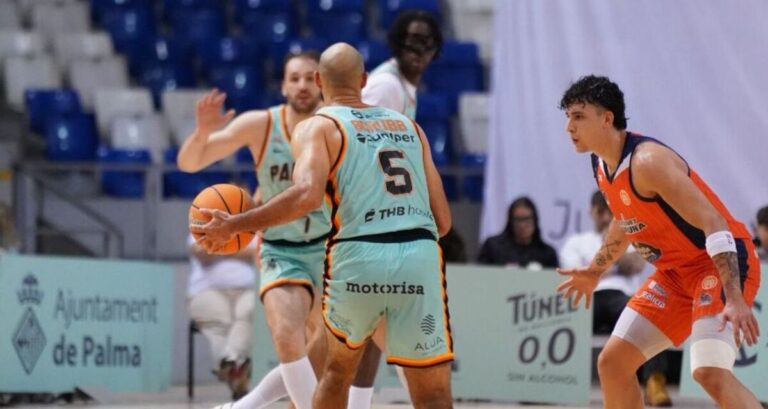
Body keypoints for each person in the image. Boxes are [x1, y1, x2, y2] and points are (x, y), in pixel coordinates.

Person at [192, 43, 454, 409]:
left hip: (359, 256)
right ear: (364, 81)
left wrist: (237, 223)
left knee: (334, 375)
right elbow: (443, 221)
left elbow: (304, 196)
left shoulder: (320, 125)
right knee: (434, 392)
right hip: (420, 256)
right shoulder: (410, 126)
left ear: (319, 81)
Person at [556, 75, 762, 409]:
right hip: (674, 274)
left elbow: (714, 222)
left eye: (577, 116)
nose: (568, 127)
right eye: (567, 117)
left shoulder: (648, 162)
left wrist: (735, 297)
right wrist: (595, 271)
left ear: (607, 118)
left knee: (709, 372)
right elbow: (625, 221)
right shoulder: (600, 163)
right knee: (613, 364)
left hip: (718, 262)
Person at [178, 51, 328, 409]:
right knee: (287, 338)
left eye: (311, 77)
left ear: (322, 83)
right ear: (283, 85)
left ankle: (243, 406)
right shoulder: (261, 125)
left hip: (330, 249)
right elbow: (189, 162)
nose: (303, 85)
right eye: (295, 78)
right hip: (281, 248)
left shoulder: (335, 124)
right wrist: (202, 133)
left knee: (321, 358)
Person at [351, 10, 444, 406]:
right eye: (411, 41)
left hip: (384, 223)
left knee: (372, 331)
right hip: (370, 223)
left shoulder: (403, 85)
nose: (418, 49)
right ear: (395, 43)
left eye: (426, 42)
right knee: (391, 333)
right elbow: (356, 137)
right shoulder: (386, 86)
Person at [560, 191, 674, 406]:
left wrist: (610, 246)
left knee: (649, 317)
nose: (604, 216)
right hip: (587, 297)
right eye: (600, 210)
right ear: (591, 211)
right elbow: (577, 273)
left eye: (608, 211)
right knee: (558, 316)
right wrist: (615, 261)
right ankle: (553, 381)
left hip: (621, 297)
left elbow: (636, 264)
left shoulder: (628, 238)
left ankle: (654, 381)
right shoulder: (576, 241)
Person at [187, 234, 257, 399]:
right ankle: (238, 370)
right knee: (221, 322)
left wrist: (219, 249)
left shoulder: (252, 219)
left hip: (247, 290)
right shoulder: (203, 217)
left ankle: (230, 365)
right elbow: (201, 254)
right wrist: (238, 250)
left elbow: (256, 253)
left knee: (249, 312)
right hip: (206, 291)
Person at [477, 196, 559, 269]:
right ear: (510, 221)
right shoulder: (493, 247)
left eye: (527, 219)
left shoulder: (547, 253)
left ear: (535, 220)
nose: (522, 225)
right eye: (518, 219)